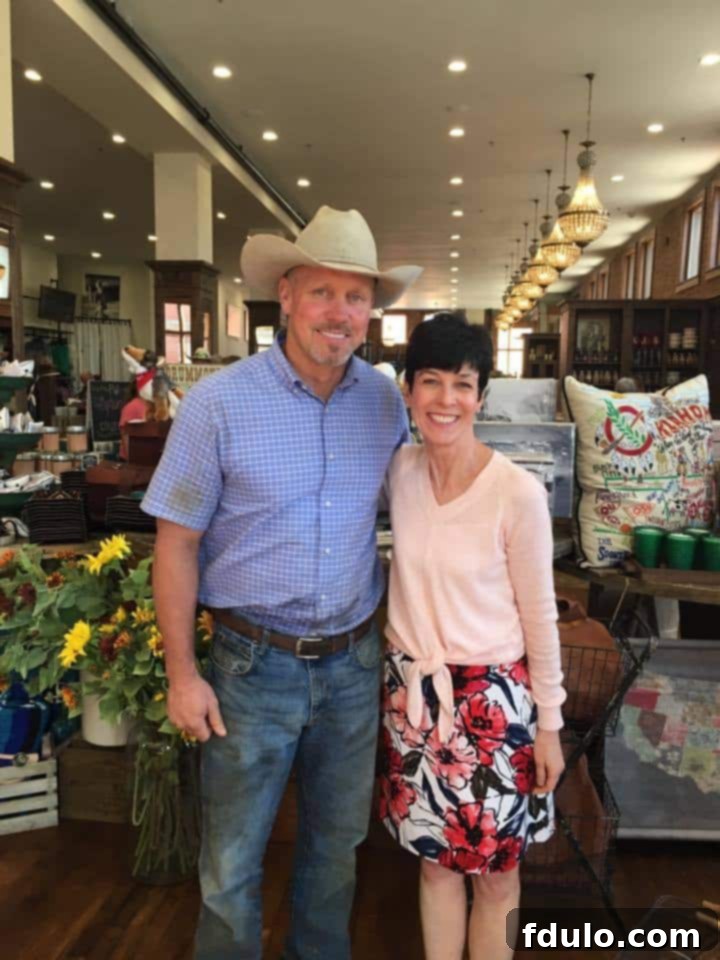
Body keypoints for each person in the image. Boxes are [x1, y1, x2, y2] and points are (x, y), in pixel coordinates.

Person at [141, 205, 421, 960]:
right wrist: (181, 674)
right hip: (248, 666)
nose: (340, 312)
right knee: (232, 859)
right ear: (288, 295)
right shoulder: (218, 406)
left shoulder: (385, 403)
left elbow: (419, 505)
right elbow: (175, 544)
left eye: (356, 296)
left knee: (336, 850)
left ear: (371, 310)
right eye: (323, 292)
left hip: (355, 663)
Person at [380, 314, 566, 960]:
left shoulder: (516, 493)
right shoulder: (400, 472)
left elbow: (540, 616)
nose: (446, 400)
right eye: (430, 382)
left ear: (482, 395)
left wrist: (550, 724)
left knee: (496, 875)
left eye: (462, 384)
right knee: (434, 864)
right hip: (414, 696)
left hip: (494, 705)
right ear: (408, 391)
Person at [118, 380, 149, 460]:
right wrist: (130, 459)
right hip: (133, 458)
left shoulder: (150, 405)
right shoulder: (131, 406)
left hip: (144, 456)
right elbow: (125, 434)